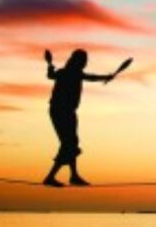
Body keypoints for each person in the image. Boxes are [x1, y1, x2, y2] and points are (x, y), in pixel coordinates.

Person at [43, 48, 116, 187]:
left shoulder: (63, 72)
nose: (85, 63)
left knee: (71, 143)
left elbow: (50, 76)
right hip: (62, 111)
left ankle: (73, 176)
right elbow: (91, 77)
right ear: (79, 62)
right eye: (83, 60)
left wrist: (49, 66)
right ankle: (51, 177)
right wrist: (105, 77)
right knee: (69, 144)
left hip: (65, 111)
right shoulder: (73, 73)